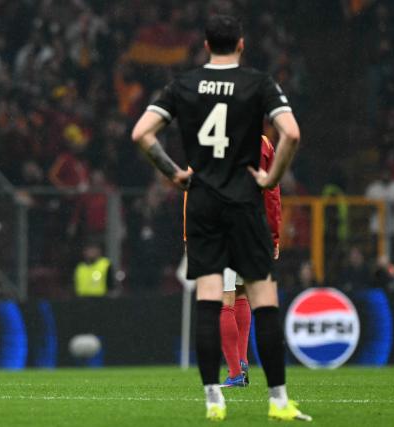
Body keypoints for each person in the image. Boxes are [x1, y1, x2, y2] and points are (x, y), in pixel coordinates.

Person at [131, 15, 310, 421]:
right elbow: (293, 135)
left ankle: (214, 397)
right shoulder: (259, 85)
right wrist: (271, 178)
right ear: (242, 45)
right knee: (262, 299)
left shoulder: (184, 85)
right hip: (246, 204)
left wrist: (173, 172)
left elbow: (142, 133)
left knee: (212, 301)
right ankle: (279, 400)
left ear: (206, 46)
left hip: (205, 204)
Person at [220, 135, 281, 388]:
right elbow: (272, 192)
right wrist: (273, 235)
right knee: (242, 292)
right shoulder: (264, 142)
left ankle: (235, 373)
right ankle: (242, 363)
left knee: (223, 299)